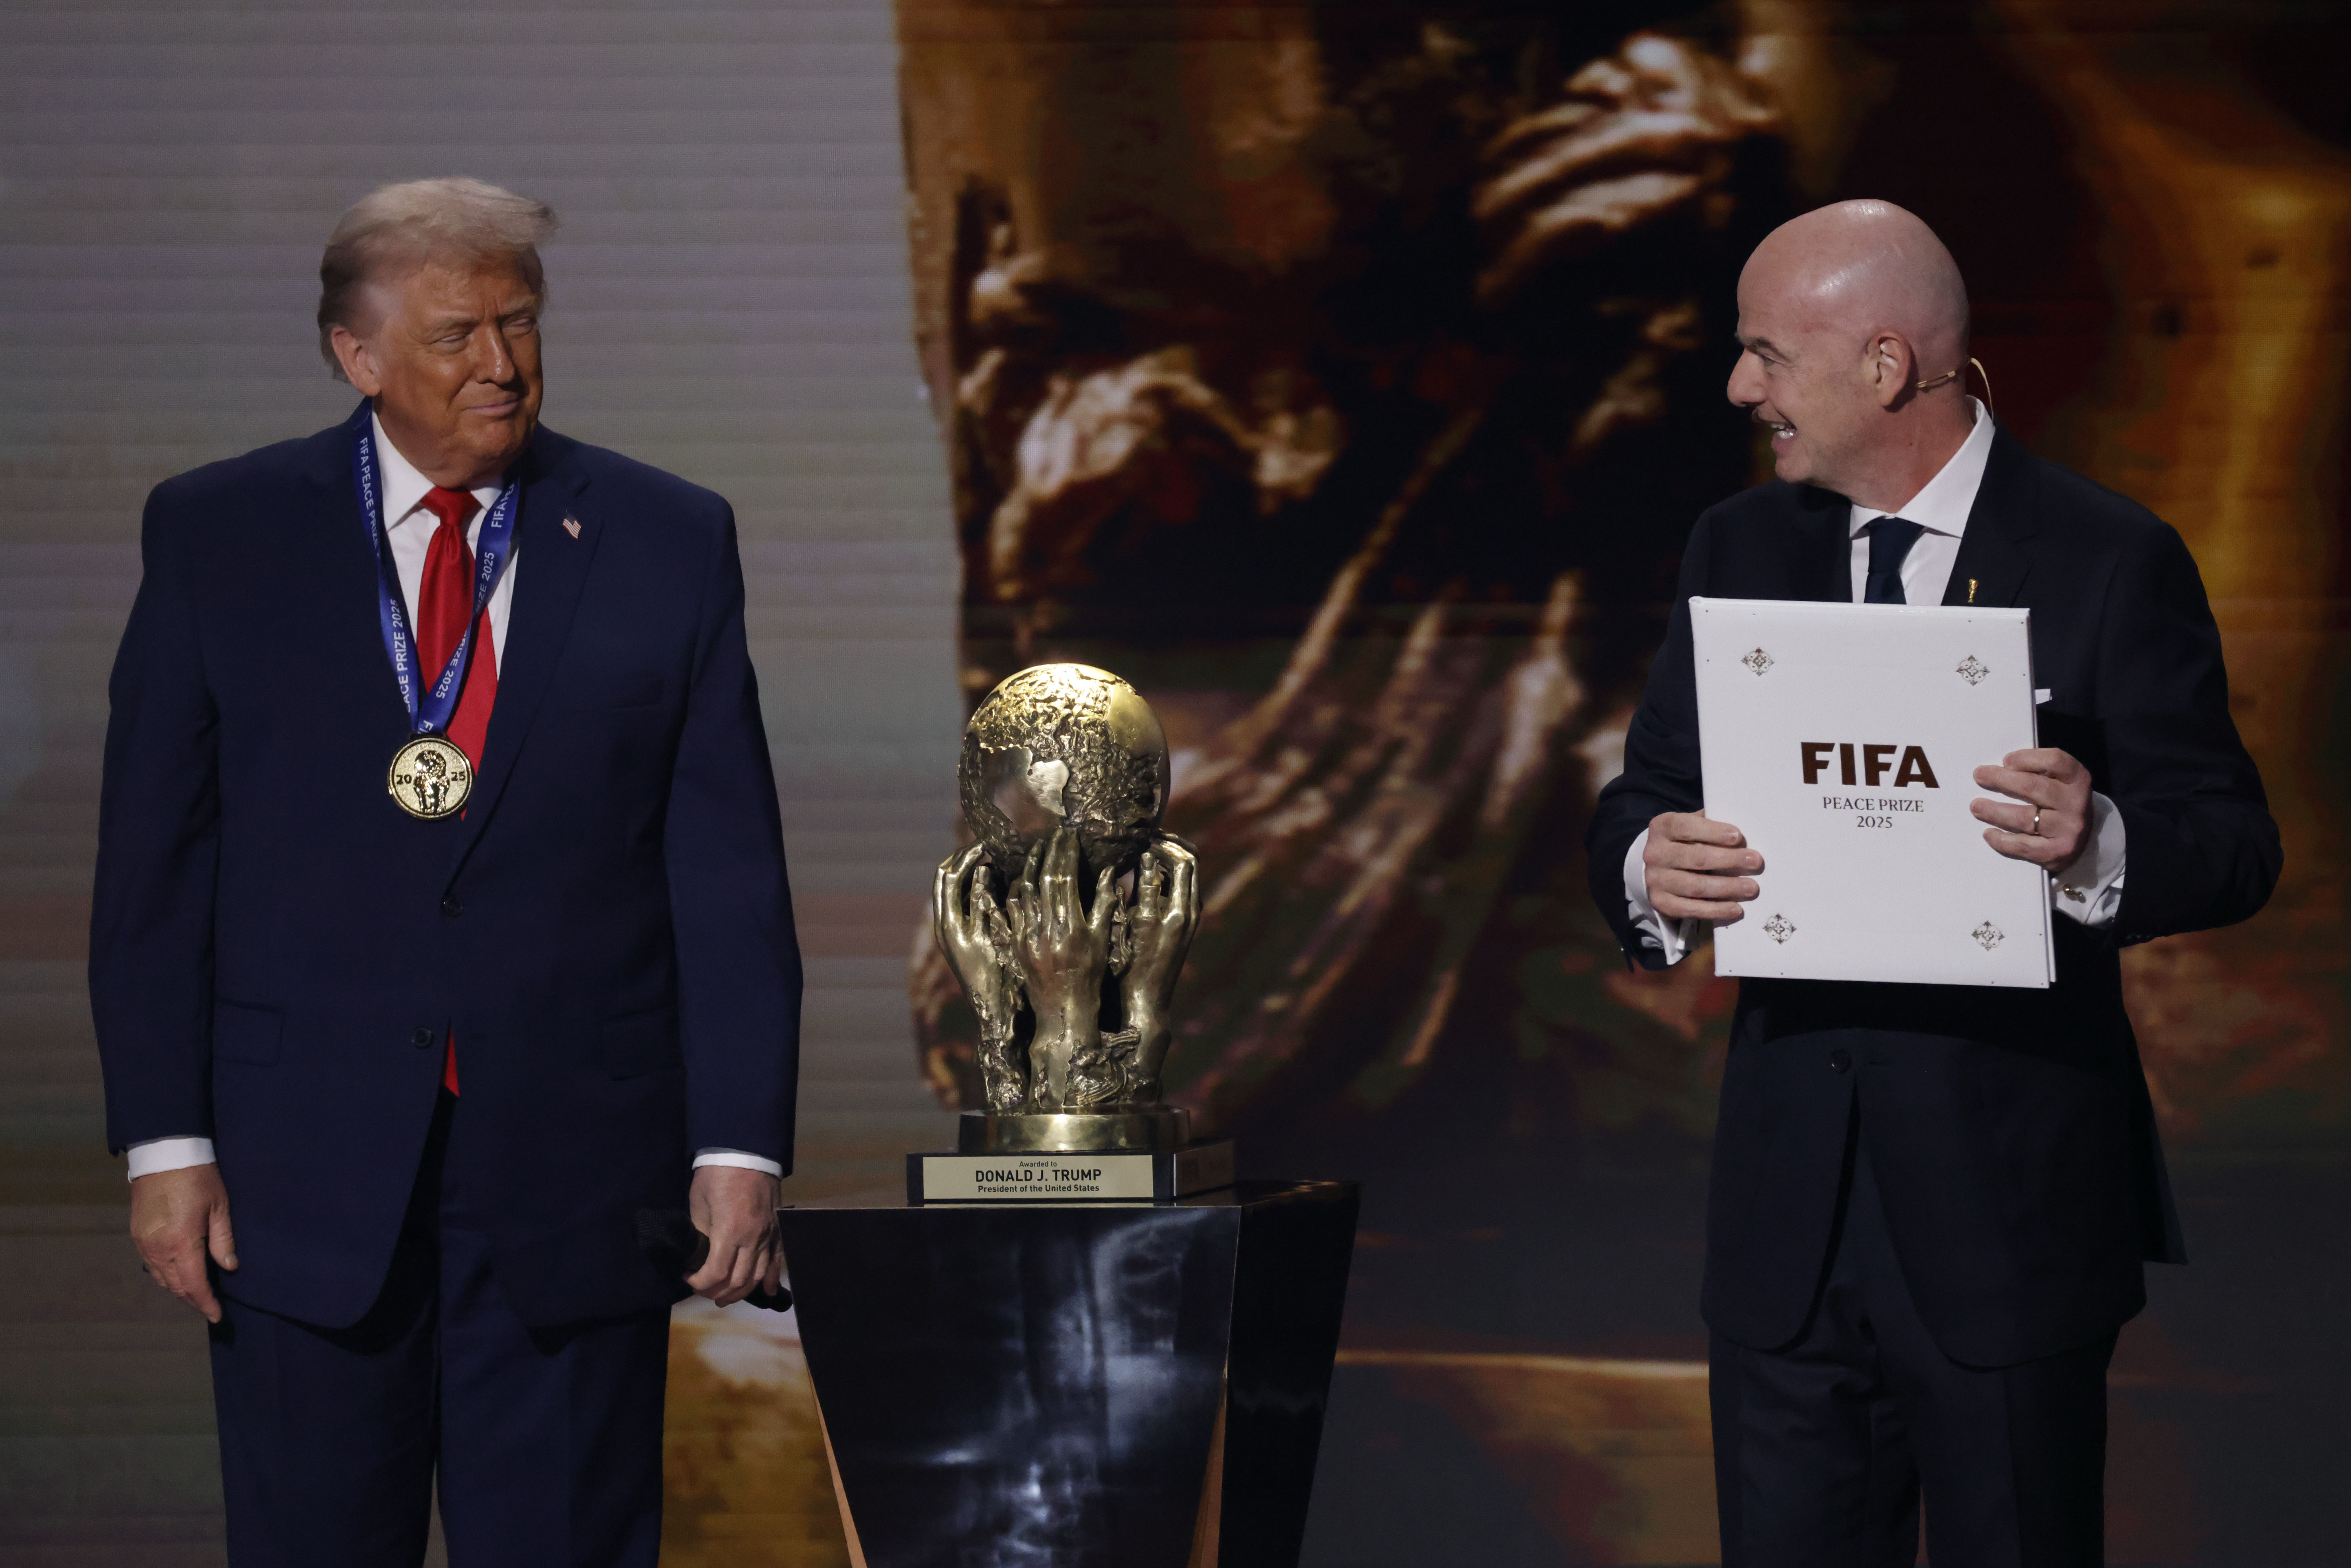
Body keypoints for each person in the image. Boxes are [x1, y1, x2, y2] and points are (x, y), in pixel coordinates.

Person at [89, 178, 803, 1567]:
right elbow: (155, 868)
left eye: (520, 324)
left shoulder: (668, 537)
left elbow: (726, 870)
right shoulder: (217, 533)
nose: (501, 364)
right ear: (355, 358)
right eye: (457, 333)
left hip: (578, 1173)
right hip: (300, 1175)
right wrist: (165, 1141)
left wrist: (739, 1145)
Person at [1587, 200, 2279, 1566]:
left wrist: (2098, 841)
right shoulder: (1740, 547)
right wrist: (1646, 863)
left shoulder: (2106, 555)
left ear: (1886, 366)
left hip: (2010, 1230)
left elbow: (2235, 840)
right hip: (1787, 1236)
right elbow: (1647, 791)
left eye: (1767, 354)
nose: (1740, 387)